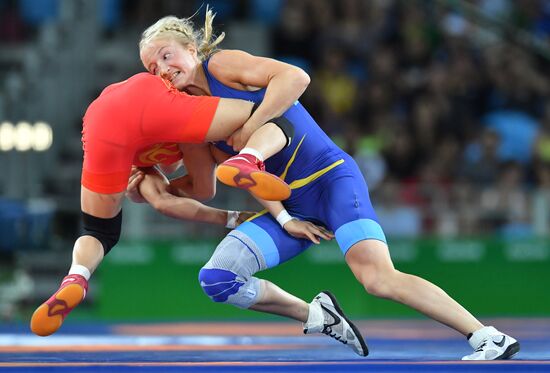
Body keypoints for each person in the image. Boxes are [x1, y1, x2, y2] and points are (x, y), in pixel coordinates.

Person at [135, 9, 520, 361]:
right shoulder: (191, 122)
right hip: (293, 204)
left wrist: (250, 126)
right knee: (218, 279)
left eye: (167, 55)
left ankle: (486, 336)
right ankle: (317, 314)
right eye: (153, 67)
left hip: (331, 179)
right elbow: (218, 187)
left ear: (190, 48)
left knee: (378, 279)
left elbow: (296, 77)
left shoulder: (220, 65)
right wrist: (153, 184)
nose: (162, 69)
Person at [28, 50, 314, 337]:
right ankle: (251, 157)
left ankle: (76, 275)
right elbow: (203, 189)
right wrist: (237, 216)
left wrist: (216, 212)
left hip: (99, 118)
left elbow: (163, 201)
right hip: (149, 100)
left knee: (99, 231)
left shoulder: (143, 170)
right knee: (271, 119)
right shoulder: (181, 120)